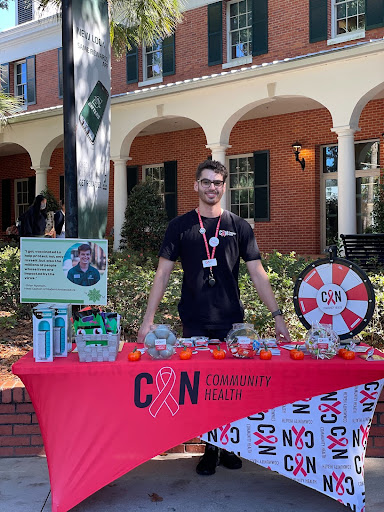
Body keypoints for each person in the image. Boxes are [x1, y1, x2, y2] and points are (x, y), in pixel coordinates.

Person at [138, 159, 291, 476]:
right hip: (194, 320)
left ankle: (228, 446)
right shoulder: (180, 227)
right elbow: (163, 274)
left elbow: (258, 274)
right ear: (196, 185)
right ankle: (210, 449)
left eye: (218, 182)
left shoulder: (240, 226)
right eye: (206, 182)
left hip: (231, 322)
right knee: (204, 389)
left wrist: (277, 315)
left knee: (230, 388)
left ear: (225, 187)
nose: (212, 187)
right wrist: (148, 319)